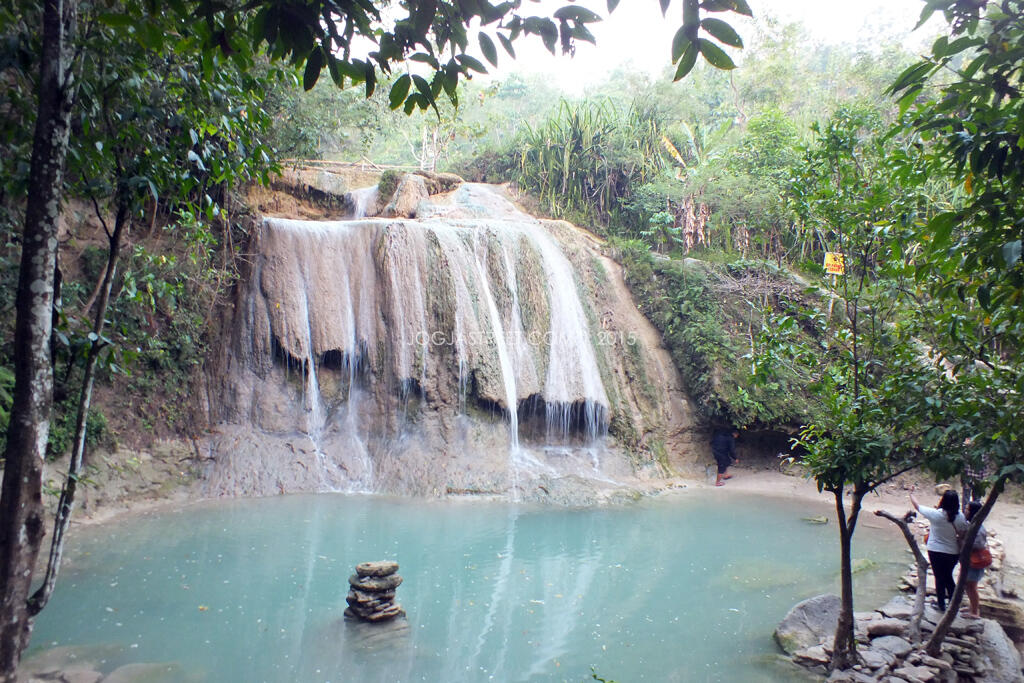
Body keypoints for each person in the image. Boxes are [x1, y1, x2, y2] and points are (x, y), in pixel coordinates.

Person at [910, 490, 968, 612]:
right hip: (953, 552)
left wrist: (911, 494)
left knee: (939, 578)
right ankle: (953, 604)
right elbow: (962, 534)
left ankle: (941, 604)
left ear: (943, 500)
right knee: (947, 576)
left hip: (935, 551)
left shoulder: (935, 514)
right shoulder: (961, 517)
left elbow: (917, 506)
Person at [963, 501, 988, 619]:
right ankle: (972, 607)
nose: (965, 511)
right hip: (973, 561)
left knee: (971, 586)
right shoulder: (975, 525)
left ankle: (974, 612)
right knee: (969, 585)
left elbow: (977, 544)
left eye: (967, 509)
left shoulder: (977, 528)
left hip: (975, 561)